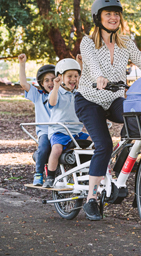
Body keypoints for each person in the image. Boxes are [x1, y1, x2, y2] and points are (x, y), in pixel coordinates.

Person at [75, 0, 141, 221]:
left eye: (116, 14)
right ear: (98, 18)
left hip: (113, 98)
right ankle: (91, 199)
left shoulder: (126, 42)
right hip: (89, 99)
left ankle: (125, 163)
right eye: (108, 14)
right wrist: (99, 77)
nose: (113, 17)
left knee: (137, 117)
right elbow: (92, 64)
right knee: (104, 144)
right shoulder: (88, 41)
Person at [44, 58, 90, 188]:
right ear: (60, 76)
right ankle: (50, 176)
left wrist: (80, 64)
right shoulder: (56, 92)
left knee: (94, 142)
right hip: (60, 131)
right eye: (69, 76)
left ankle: (87, 173)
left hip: (75, 132)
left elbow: (83, 84)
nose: (73, 79)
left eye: (76, 76)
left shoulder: (78, 93)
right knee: (57, 149)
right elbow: (52, 102)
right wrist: (56, 86)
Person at [19, 55, 56, 186]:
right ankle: (39, 173)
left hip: (60, 130)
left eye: (53, 79)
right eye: (46, 80)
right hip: (45, 131)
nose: (50, 83)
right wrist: (22, 64)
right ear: (41, 83)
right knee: (44, 146)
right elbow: (23, 84)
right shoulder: (38, 95)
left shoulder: (62, 94)